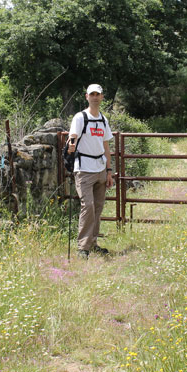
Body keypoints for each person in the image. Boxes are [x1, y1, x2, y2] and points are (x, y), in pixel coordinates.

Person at [67, 84, 114, 258]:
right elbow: (73, 137)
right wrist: (71, 145)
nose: (95, 97)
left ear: (102, 97)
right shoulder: (80, 118)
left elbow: (106, 146)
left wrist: (109, 171)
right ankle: (83, 247)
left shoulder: (103, 119)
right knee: (88, 206)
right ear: (86, 96)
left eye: (98, 94)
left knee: (98, 208)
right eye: (92, 94)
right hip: (84, 169)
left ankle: (93, 243)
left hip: (100, 168)